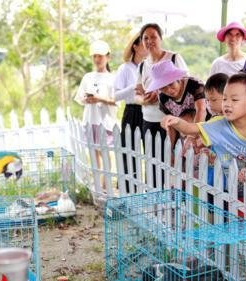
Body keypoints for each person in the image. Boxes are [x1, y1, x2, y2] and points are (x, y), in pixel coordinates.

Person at [161, 74, 246, 186]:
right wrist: (175, 121)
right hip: (228, 190)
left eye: (234, 100)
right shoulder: (218, 124)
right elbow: (189, 128)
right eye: (224, 99)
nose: (227, 104)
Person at [135, 23, 188, 188]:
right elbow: (137, 94)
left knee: (172, 160)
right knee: (151, 161)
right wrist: (144, 100)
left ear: (161, 38)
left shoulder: (173, 58)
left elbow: (185, 86)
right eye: (145, 38)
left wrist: (160, 95)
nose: (149, 41)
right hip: (148, 119)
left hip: (170, 121)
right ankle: (154, 194)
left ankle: (173, 198)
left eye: (153, 37)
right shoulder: (142, 65)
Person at [74, 40, 117, 191]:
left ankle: (106, 187)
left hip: (105, 121)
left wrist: (99, 99)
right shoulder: (88, 77)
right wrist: (88, 98)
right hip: (90, 119)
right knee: (94, 154)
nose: (97, 59)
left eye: (100, 56)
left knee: (105, 154)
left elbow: (116, 101)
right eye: (95, 56)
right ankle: (98, 185)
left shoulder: (113, 78)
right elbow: (79, 98)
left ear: (108, 57)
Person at [145, 60, 208, 146]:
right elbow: (171, 124)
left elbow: (201, 110)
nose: (169, 90)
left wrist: (193, 136)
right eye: (163, 87)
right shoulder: (163, 98)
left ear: (177, 78)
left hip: (205, 128)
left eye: (171, 84)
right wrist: (171, 149)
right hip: (183, 134)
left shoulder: (195, 85)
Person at [114, 32, 147, 193]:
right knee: (130, 152)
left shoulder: (151, 66)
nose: (147, 45)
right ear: (135, 46)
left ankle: (150, 189)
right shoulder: (125, 68)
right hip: (132, 111)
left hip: (149, 111)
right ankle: (129, 190)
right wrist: (133, 86)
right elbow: (115, 95)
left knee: (151, 152)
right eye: (143, 42)